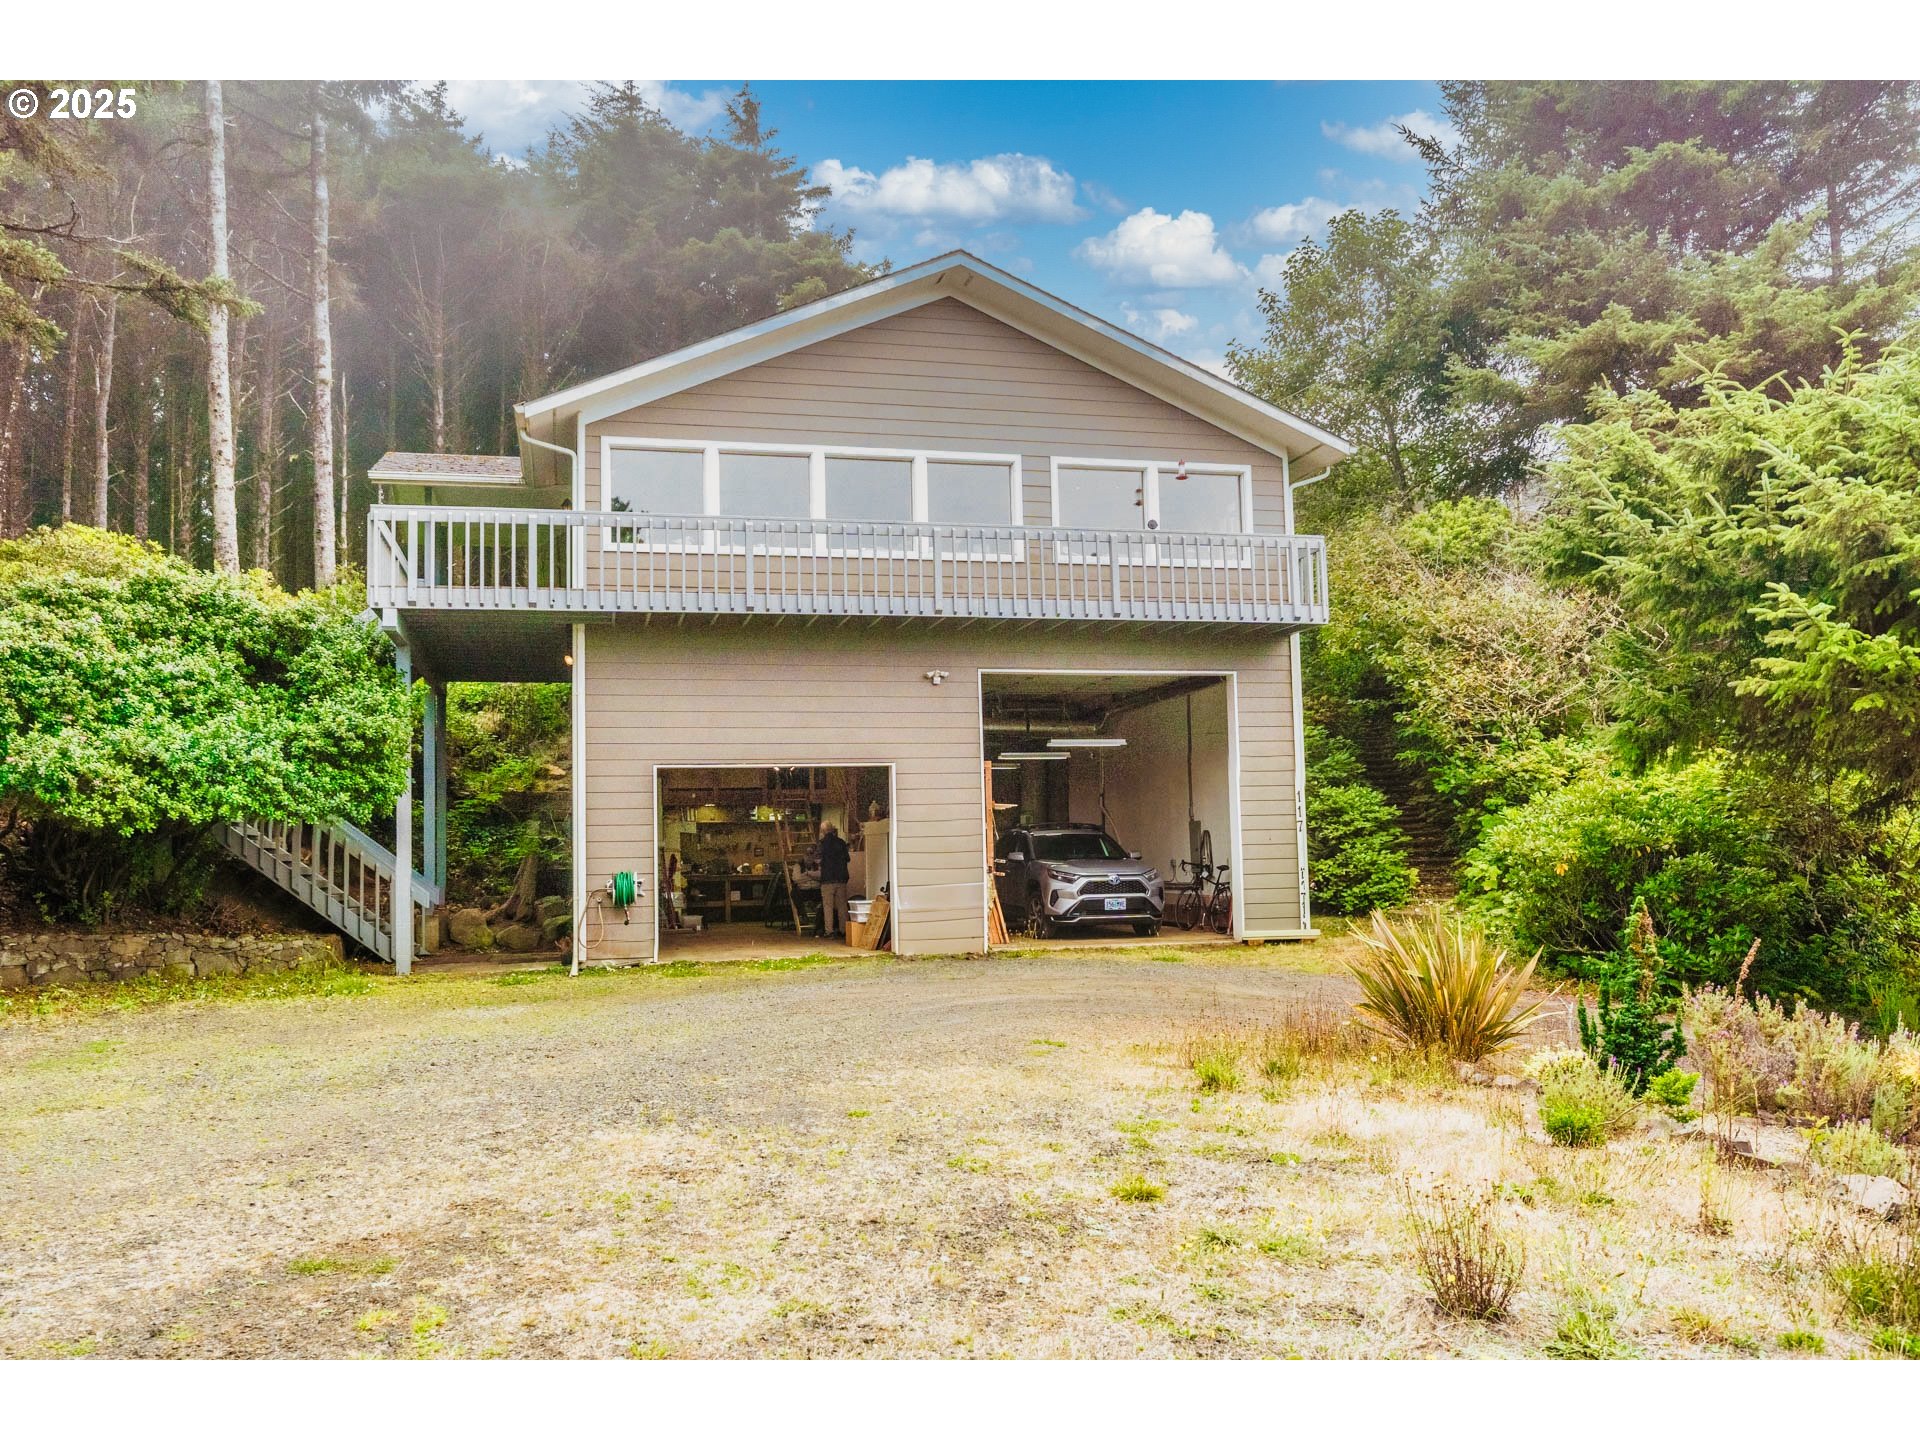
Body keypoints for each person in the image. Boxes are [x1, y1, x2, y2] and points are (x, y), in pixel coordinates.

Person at [817, 821, 851, 940]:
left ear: (823, 831)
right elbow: (847, 859)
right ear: (832, 829)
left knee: (828, 906)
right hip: (841, 878)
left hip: (827, 879)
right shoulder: (841, 842)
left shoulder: (822, 844)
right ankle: (843, 930)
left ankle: (829, 931)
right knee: (842, 906)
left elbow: (818, 859)